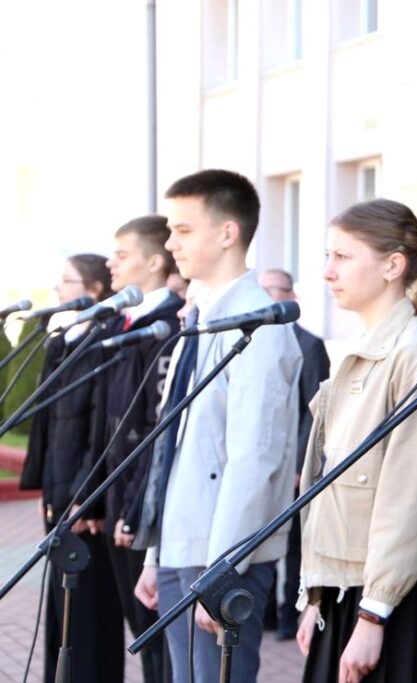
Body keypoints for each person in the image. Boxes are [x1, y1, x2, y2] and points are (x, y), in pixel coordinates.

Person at [132, 169, 303, 683]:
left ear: (228, 233)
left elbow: (254, 457)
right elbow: (176, 445)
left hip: (218, 556)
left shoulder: (259, 324)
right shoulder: (201, 317)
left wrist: (221, 568)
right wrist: (156, 552)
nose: (170, 244)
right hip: (180, 545)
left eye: (183, 230)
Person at [295, 199, 417, 683]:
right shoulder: (362, 350)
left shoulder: (416, 355)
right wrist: (317, 595)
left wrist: (374, 614)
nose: (328, 271)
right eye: (328, 256)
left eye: (342, 256)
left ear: (393, 266)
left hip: (397, 603)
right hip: (351, 593)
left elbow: (410, 498)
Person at [20, 254, 125, 683]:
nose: (59, 289)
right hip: (58, 493)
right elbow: (47, 425)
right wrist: (45, 487)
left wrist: (85, 498)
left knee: (89, 608)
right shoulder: (60, 343)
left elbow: (101, 430)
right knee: (60, 607)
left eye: (68, 280)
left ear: (94, 290)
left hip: (85, 503)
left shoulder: (106, 344)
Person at [93, 215, 184, 683]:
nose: (111, 263)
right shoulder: (124, 323)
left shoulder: (167, 327)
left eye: (122, 255)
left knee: (157, 638)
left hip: (141, 507)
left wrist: (132, 510)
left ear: (154, 262)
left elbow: (156, 432)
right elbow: (108, 423)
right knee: (140, 633)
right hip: (118, 496)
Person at [257, 267, 331, 641]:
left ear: (292, 295)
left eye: (275, 289)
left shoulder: (310, 344)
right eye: (263, 289)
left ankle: (290, 613)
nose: (268, 296)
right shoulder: (251, 342)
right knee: (262, 539)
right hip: (260, 463)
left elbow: (314, 411)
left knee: (293, 545)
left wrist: (303, 464)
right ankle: (266, 613)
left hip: (295, 465)